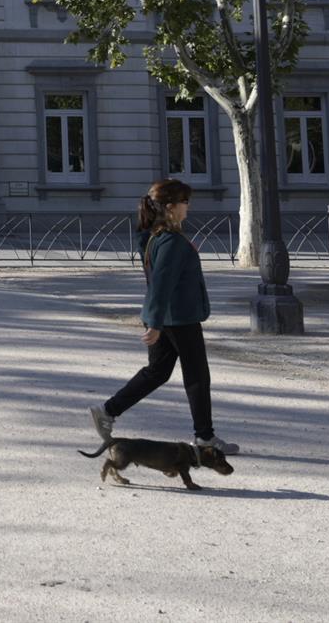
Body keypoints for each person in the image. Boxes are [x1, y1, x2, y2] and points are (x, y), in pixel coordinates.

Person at [87, 179, 239, 455]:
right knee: (197, 376)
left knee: (157, 372)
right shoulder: (171, 242)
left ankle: (107, 410)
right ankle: (204, 438)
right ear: (170, 207)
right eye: (185, 202)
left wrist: (155, 320)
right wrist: (156, 323)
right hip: (178, 318)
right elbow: (161, 283)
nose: (188, 207)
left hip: (166, 316)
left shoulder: (155, 237)